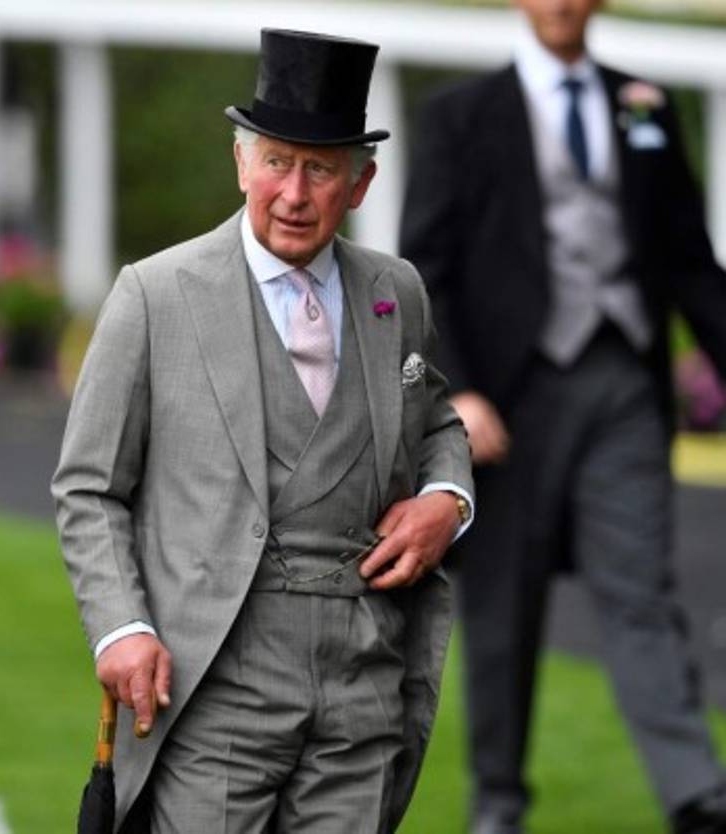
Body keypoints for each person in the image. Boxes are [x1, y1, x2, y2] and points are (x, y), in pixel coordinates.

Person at [53, 29, 474, 833]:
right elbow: (89, 486)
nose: (294, 191)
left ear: (360, 183)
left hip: (366, 682)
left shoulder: (398, 292)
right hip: (215, 684)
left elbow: (437, 419)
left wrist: (447, 499)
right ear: (240, 162)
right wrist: (121, 626)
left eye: (319, 169)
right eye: (277, 162)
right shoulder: (154, 295)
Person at [399, 1, 726, 832]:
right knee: (502, 606)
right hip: (511, 399)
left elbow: (690, 256)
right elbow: (424, 268)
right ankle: (498, 806)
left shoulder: (643, 104)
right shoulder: (460, 117)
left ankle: (697, 796)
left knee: (641, 590)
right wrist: (459, 392)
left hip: (623, 382)